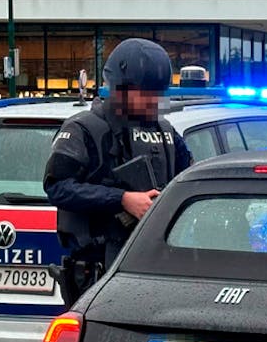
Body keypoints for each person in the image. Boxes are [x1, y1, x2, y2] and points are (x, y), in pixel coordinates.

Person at [44, 37, 193, 304]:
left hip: (153, 264)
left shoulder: (166, 131)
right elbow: (57, 186)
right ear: (120, 89)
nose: (153, 101)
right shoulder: (84, 129)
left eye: (157, 93)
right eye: (145, 93)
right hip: (98, 270)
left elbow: (188, 179)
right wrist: (122, 200)